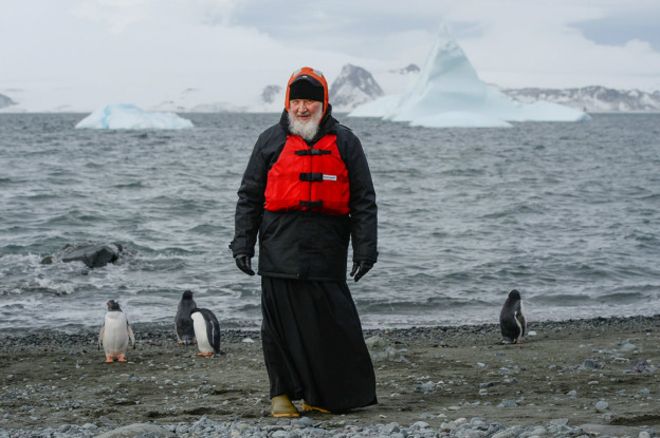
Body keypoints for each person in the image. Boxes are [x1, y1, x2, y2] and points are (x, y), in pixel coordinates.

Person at [230, 66, 378, 417]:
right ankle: (281, 397)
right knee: (278, 327)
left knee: (332, 325)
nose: (301, 108)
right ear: (287, 103)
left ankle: (320, 395)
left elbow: (363, 199)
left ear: (323, 104)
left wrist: (366, 248)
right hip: (279, 246)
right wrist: (242, 244)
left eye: (309, 102)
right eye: (295, 101)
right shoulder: (269, 140)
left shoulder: (346, 142)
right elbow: (249, 196)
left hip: (327, 249)